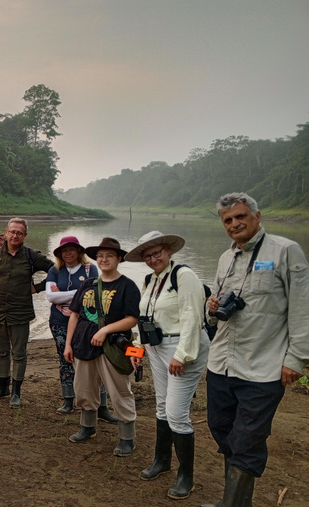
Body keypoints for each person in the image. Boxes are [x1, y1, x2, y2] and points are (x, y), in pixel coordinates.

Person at [200, 193, 309, 507]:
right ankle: (233, 502)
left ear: (257, 217)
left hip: (264, 367)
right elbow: (218, 307)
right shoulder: (225, 258)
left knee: (247, 440)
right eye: (228, 220)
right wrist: (211, 306)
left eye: (241, 216)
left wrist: (296, 358)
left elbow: (302, 308)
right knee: (221, 429)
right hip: (221, 363)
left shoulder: (286, 250)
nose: (235, 223)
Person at [124, 231, 210, 500]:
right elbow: (143, 317)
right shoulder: (149, 280)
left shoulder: (183, 276)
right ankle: (162, 461)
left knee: (176, 412)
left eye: (157, 252)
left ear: (168, 251)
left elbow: (193, 317)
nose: (152, 259)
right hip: (155, 347)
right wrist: (136, 348)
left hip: (182, 348)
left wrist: (182, 355)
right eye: (147, 255)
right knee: (161, 405)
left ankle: (187, 476)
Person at [63, 237, 140, 456]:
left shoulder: (127, 286)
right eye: (100, 256)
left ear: (119, 258)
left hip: (112, 348)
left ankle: (127, 437)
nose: (103, 259)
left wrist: (105, 330)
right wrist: (68, 345)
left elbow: (132, 319)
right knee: (84, 389)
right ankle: (88, 427)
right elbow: (74, 315)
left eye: (109, 256)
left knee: (119, 391)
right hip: (83, 345)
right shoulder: (88, 284)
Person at [0, 217, 55, 408]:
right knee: (1, 351)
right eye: (12, 231)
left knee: (19, 353)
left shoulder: (31, 256)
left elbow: (55, 271)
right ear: (6, 232)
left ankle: (16, 392)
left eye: (19, 233)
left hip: (20, 313)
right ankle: (1, 389)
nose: (15, 235)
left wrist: (37, 288)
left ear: (25, 235)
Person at [46, 236, 117, 422]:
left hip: (87, 323)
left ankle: (102, 405)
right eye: (64, 250)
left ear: (78, 251)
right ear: (60, 253)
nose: (68, 253)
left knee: (94, 360)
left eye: (72, 249)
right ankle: (68, 399)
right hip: (59, 322)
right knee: (65, 359)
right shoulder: (54, 270)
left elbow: (93, 294)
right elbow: (51, 297)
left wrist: (70, 301)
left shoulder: (90, 269)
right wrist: (78, 294)